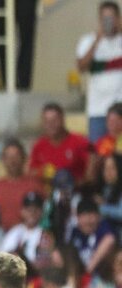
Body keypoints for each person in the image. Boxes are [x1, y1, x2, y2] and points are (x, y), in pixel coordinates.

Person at [76, 2, 122, 143]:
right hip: (97, 109)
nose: (108, 22)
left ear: (118, 18)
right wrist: (97, 41)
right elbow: (81, 67)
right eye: (104, 18)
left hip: (120, 108)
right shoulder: (87, 41)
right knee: (97, 152)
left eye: (111, 17)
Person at [29, 104, 91, 191]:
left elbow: (91, 174)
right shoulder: (38, 145)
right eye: (46, 121)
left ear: (62, 120)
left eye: (54, 120)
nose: (51, 125)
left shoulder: (80, 142)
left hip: (76, 192)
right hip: (48, 195)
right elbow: (31, 171)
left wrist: (73, 183)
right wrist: (42, 172)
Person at [0, 139, 39, 230]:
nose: (12, 161)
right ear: (3, 160)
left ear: (24, 158)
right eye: (8, 157)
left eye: (16, 156)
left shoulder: (34, 186)